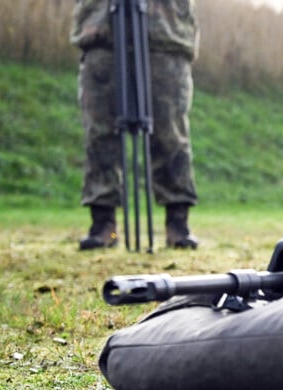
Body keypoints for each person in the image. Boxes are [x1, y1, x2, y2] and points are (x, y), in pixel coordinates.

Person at [71, 0, 200, 250]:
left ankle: (177, 222)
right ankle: (102, 223)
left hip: (165, 32)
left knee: (170, 133)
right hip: (100, 29)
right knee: (99, 135)